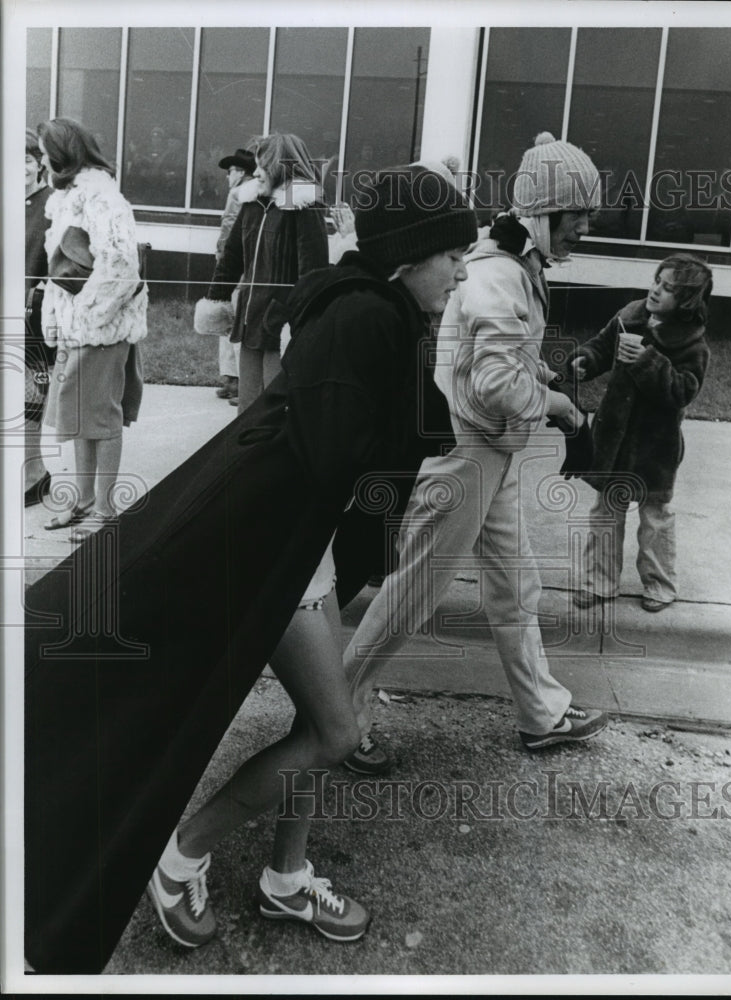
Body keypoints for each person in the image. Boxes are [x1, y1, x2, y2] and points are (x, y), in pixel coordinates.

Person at [24, 165, 477, 972]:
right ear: (410, 257)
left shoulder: (368, 305)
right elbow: (337, 452)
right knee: (335, 731)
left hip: (305, 551)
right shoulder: (369, 317)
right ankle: (185, 854)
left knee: (321, 720)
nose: (462, 270)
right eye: (452, 254)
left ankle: (286, 874)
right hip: (285, 557)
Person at [343, 132, 610, 775]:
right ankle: (336, 718)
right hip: (465, 455)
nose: (583, 231)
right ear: (546, 211)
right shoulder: (499, 271)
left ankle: (542, 714)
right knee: (414, 595)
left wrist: (540, 379)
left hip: (490, 449)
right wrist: (563, 409)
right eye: (578, 219)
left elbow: (494, 361)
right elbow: (493, 381)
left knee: (516, 586)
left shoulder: (512, 264)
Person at [570, 254, 713, 613]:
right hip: (613, 438)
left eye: (668, 289)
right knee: (605, 511)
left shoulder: (692, 344)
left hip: (655, 447)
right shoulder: (630, 315)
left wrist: (646, 360)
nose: (656, 290)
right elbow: (602, 347)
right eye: (657, 281)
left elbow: (683, 390)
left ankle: (660, 585)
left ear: (687, 302)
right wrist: (585, 360)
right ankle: (599, 582)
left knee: (655, 519)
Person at [37, 117, 146, 539]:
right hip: (78, 324)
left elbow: (121, 264)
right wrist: (64, 317)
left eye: (45, 151)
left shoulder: (101, 196)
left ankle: (104, 509)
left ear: (61, 153)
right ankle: (84, 502)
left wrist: (89, 315)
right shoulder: (69, 196)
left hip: (101, 328)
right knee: (80, 416)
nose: (41, 158)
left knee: (100, 417)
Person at [197, 132, 329, 412]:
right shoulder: (252, 203)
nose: (255, 172)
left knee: (275, 409)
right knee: (247, 408)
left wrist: (303, 325)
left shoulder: (305, 205)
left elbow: (313, 272)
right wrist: (215, 300)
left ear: (280, 166)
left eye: (261, 165)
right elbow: (232, 258)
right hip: (251, 319)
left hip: (282, 325)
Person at [24, 127, 55, 507]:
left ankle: (35, 472)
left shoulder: (51, 204)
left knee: (30, 395)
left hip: (33, 315)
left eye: (27, 160)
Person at [213, 147, 256, 406]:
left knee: (233, 317)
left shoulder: (239, 192)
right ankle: (233, 378)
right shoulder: (253, 190)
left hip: (235, 262)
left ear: (240, 172)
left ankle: (236, 380)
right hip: (244, 261)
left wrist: (221, 256)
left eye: (230, 171)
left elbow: (229, 226)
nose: (228, 176)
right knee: (234, 317)